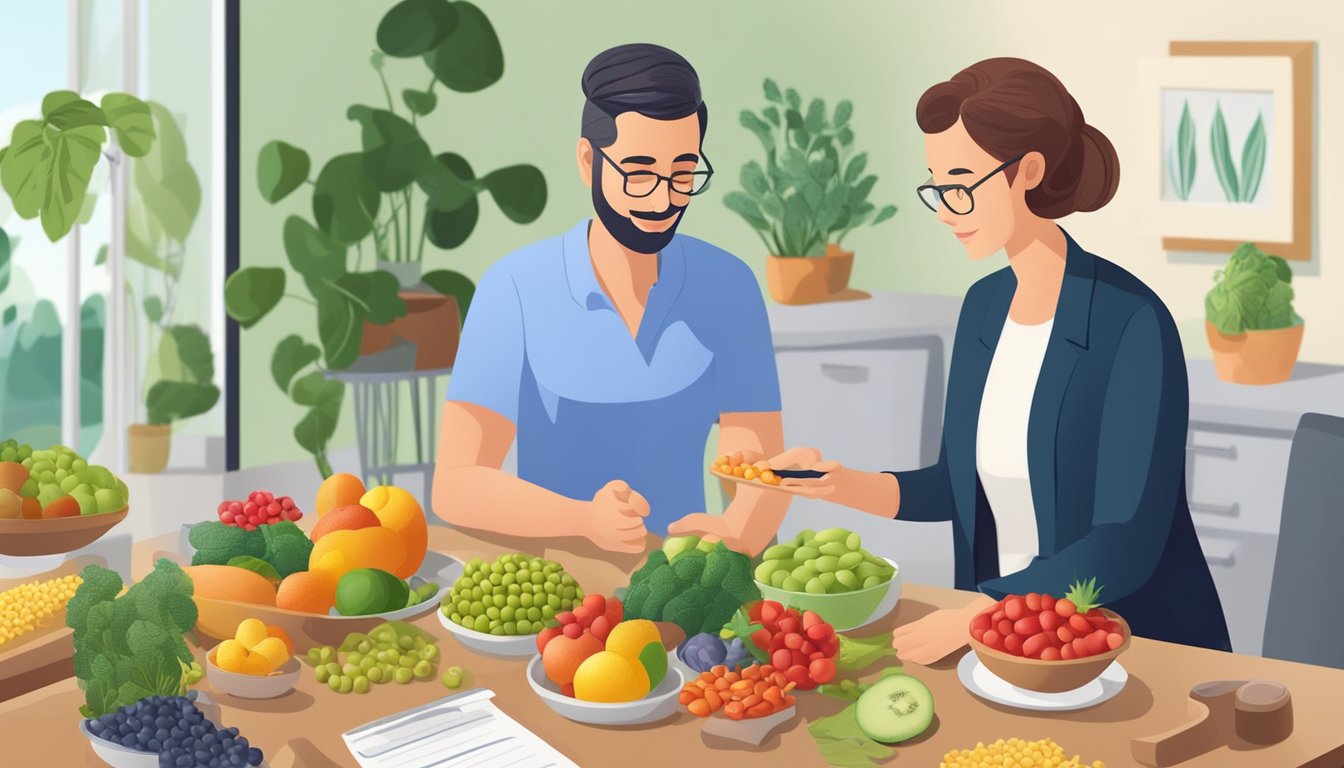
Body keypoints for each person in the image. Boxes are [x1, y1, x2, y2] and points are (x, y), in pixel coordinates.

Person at [770, 58, 1231, 661]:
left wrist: (977, 614)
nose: (943, 210)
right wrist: (837, 485)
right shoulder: (984, 307)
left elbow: (1123, 542)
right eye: (936, 187)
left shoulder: (1131, 322)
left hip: (1124, 647)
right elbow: (956, 487)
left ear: (1029, 171)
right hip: (1003, 640)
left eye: (960, 185)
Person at [432, 43, 790, 556]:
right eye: (639, 172)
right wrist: (582, 520)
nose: (663, 199)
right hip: (553, 598)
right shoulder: (512, 288)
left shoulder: (728, 286)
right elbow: (458, 483)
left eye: (683, 173)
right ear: (587, 161)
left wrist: (743, 532)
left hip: (688, 588)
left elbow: (754, 459)